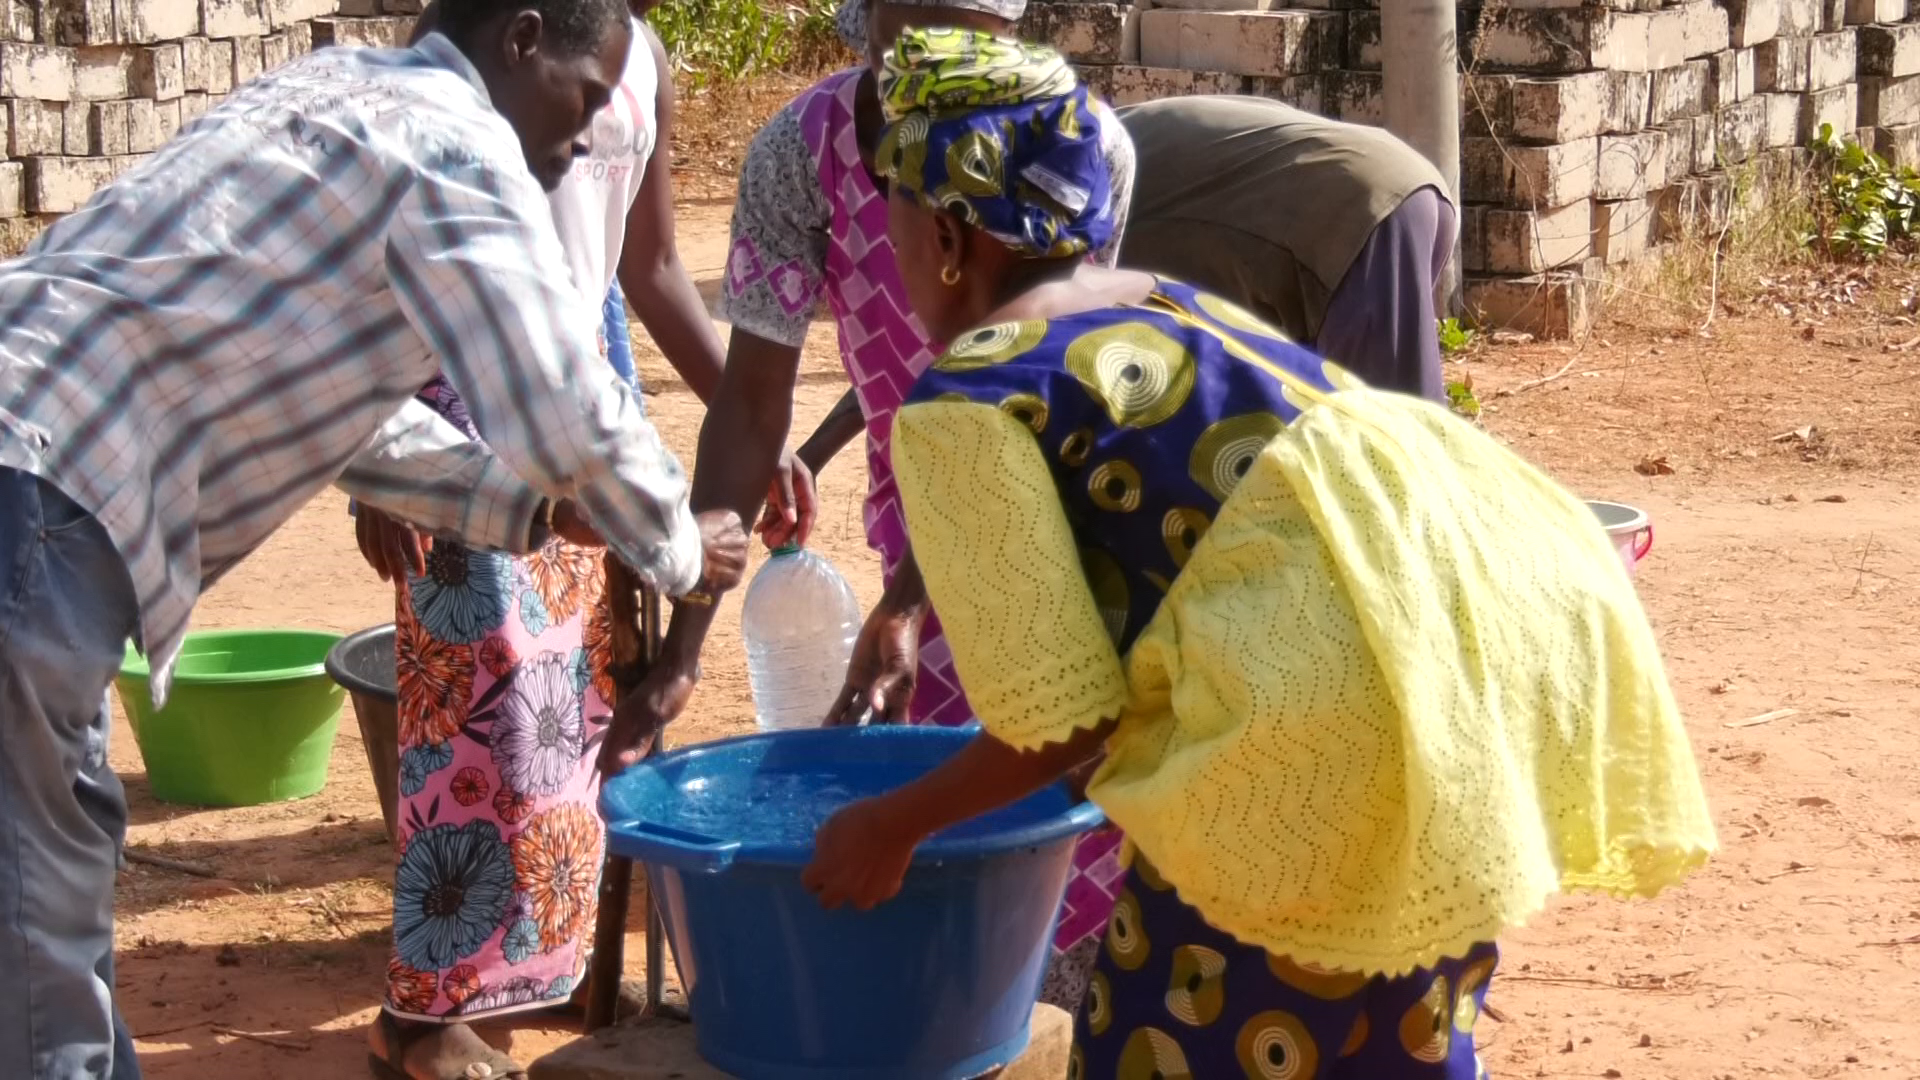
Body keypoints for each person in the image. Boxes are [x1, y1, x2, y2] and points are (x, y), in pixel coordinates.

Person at [799, 29, 1716, 1078]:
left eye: (893, 210)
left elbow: (1058, 721)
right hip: (1460, 681)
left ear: (954, 231)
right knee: (1389, 1045)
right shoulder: (1156, 301)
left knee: (1166, 1036)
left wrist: (892, 826)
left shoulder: (963, 398)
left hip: (1305, 759)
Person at [0, 0, 753, 1075]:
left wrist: (535, 509)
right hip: (36, 504)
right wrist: (682, 545)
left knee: (47, 871)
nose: (588, 137)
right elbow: (560, 403)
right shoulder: (458, 141)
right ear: (522, 39)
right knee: (34, 941)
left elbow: (345, 414)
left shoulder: (325, 97)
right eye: (585, 100)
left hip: (31, 474)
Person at [602, 0, 1135, 1011]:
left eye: (974, 26)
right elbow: (753, 402)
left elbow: (1024, 409)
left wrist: (901, 609)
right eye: (916, 24)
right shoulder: (797, 156)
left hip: (1061, 519)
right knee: (941, 814)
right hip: (925, 503)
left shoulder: (1078, 147)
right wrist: (683, 651)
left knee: (1057, 817)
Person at [347, 0, 743, 1076]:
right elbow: (396, 233)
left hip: (583, 383)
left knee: (569, 711)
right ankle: (422, 1017)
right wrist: (391, 447)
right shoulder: (482, 29)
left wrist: (752, 413)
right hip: (458, 386)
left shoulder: (637, 54)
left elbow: (651, 265)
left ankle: (536, 973)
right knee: (468, 703)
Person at [1117, 95, 1456, 400]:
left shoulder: (1084, 187)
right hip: (1403, 183)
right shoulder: (1113, 131)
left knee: (1388, 440)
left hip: (1352, 215)